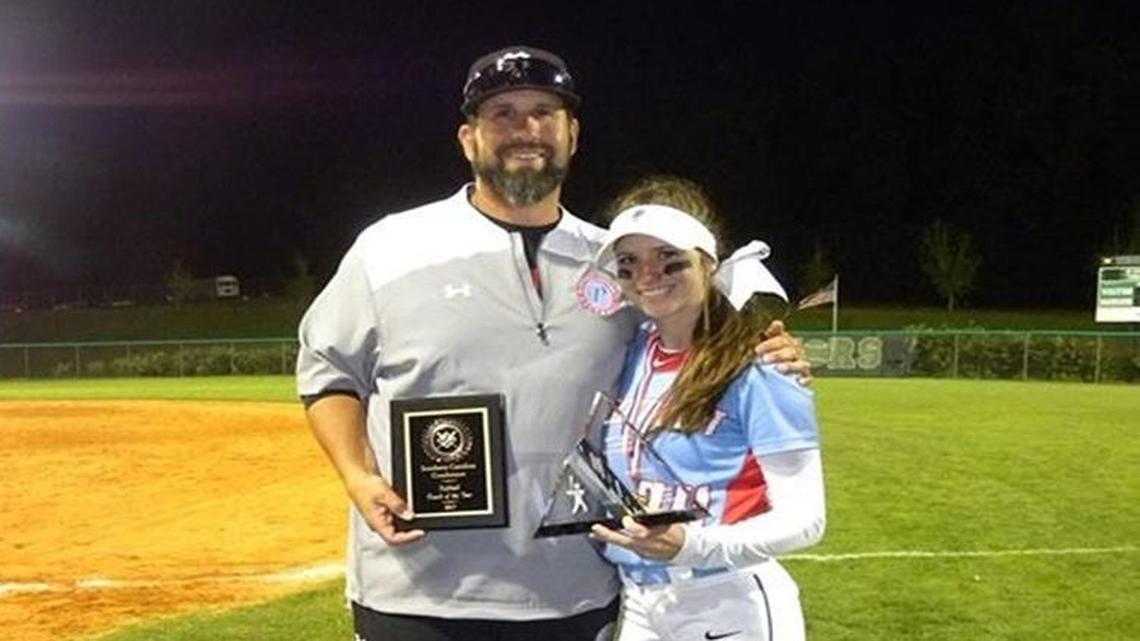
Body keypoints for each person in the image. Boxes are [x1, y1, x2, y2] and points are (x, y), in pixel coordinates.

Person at [295, 46, 810, 641]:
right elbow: (328, 371)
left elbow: (701, 343)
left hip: (575, 588)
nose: (526, 129)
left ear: (573, 134)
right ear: (468, 138)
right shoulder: (390, 247)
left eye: (545, 112)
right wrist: (359, 477)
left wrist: (766, 348)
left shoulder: (623, 263)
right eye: (503, 113)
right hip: (414, 587)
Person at [589, 176, 826, 641]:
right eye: (628, 263)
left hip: (730, 601)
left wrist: (690, 546)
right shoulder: (629, 352)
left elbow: (806, 520)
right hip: (639, 603)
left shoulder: (759, 365)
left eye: (669, 259)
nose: (647, 277)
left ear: (708, 262)